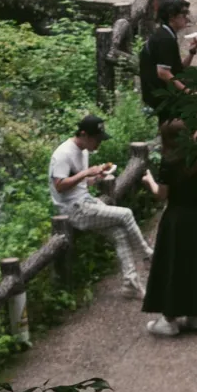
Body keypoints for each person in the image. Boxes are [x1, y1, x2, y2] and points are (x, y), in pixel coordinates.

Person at [141, 117, 197, 338]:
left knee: (174, 264)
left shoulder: (168, 163)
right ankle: (195, 314)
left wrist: (149, 181)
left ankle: (169, 319)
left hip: (177, 217)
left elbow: (162, 195)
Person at [48, 114, 150, 291]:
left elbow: (81, 183)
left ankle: (130, 283)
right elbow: (59, 186)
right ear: (84, 134)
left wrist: (96, 177)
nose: (99, 143)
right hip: (73, 210)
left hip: (86, 202)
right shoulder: (63, 154)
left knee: (119, 233)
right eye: (97, 139)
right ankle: (147, 254)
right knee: (126, 214)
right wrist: (86, 173)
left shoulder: (84, 151)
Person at [139, 0, 190, 115]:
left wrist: (193, 51)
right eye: (183, 14)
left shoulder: (166, 34)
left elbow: (178, 69)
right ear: (172, 17)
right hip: (159, 97)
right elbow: (163, 73)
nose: (187, 18)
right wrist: (188, 91)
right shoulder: (165, 39)